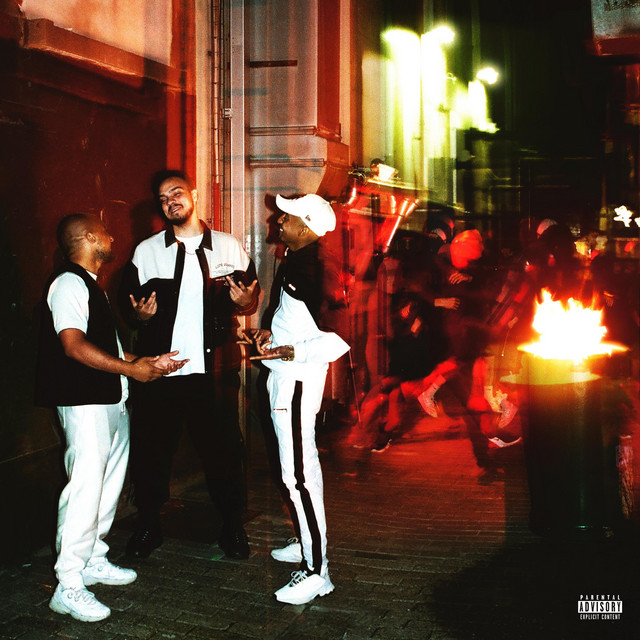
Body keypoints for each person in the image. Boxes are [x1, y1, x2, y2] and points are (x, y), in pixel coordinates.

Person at [35, 213, 187, 623]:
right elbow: (72, 346)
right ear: (87, 237)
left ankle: (92, 559)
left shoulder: (91, 286)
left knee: (106, 487)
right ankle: (68, 584)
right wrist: (131, 370)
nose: (112, 237)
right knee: (85, 489)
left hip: (109, 401)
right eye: (104, 232)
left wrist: (146, 362)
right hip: (84, 404)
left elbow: (110, 352)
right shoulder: (68, 283)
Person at [119, 170, 259, 560]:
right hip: (159, 372)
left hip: (213, 374)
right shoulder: (147, 251)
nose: (171, 202)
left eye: (176, 193)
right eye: (163, 199)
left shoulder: (228, 247)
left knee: (224, 453)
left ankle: (232, 526)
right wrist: (140, 318)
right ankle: (148, 526)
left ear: (194, 194)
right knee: (152, 453)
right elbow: (130, 309)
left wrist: (246, 303)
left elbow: (250, 296)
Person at [244, 193, 350, 605]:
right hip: (287, 377)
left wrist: (291, 352)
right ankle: (308, 540)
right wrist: (273, 336)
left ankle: (316, 570)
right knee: (300, 471)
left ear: (305, 227)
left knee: (299, 477)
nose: (278, 222)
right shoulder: (300, 261)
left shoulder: (316, 269)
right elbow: (301, 322)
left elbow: (339, 338)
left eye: (286, 218)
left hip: (297, 382)